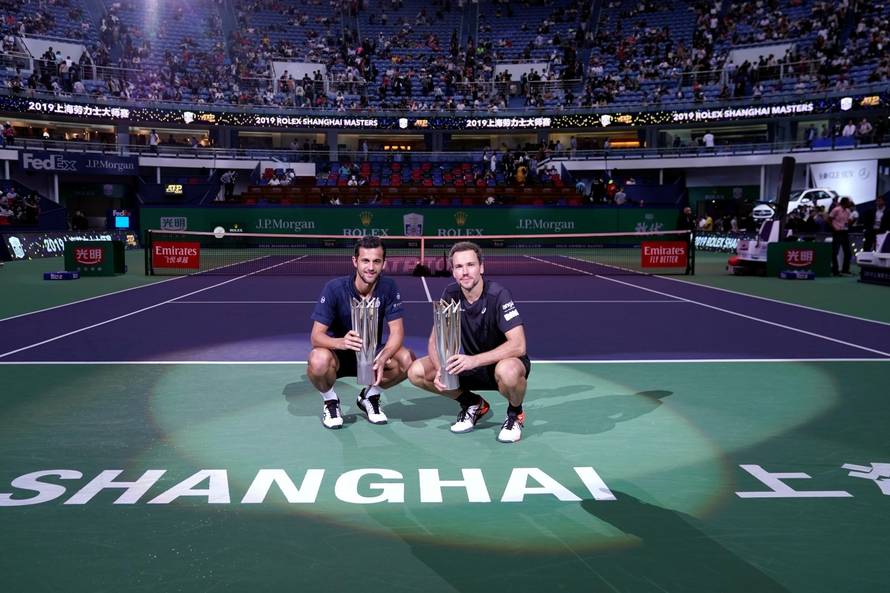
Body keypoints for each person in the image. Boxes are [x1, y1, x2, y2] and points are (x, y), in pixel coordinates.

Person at [407, 241, 530, 443]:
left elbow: (518, 345)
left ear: (481, 267)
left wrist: (474, 361)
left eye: (470, 265)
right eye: (458, 267)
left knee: (507, 372)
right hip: (471, 364)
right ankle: (473, 404)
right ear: (453, 271)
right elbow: (434, 340)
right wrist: (440, 369)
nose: (465, 272)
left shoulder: (498, 295)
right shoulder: (450, 294)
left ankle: (515, 414)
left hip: (502, 365)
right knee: (417, 371)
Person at [307, 236, 415, 429]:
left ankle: (370, 396)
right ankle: (330, 401)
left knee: (407, 360)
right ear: (355, 261)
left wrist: (384, 357)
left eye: (376, 261)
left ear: (384, 264)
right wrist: (341, 342)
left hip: (371, 356)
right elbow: (316, 337)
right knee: (317, 360)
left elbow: (397, 332)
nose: (371, 267)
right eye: (365, 260)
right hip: (338, 356)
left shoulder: (388, 287)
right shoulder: (334, 288)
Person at [828, 197, 853, 276]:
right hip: (837, 232)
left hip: (845, 232)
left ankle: (845, 270)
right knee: (835, 251)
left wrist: (851, 222)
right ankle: (835, 270)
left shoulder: (848, 211)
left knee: (848, 252)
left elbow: (848, 221)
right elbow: (829, 219)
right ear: (845, 202)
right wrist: (834, 228)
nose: (850, 203)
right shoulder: (836, 209)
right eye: (849, 202)